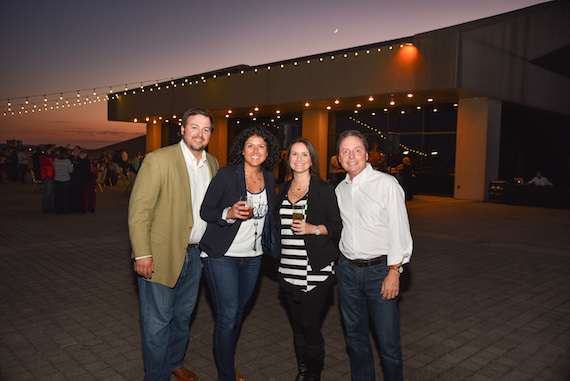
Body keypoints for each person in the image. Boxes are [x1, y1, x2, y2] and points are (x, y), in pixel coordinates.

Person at [128, 108, 219, 381]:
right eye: (194, 127)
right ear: (182, 129)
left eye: (205, 129)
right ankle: (156, 377)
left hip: (196, 256)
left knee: (182, 318)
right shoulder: (159, 159)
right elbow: (139, 211)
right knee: (157, 323)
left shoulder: (213, 163)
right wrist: (142, 253)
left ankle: (175, 362)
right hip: (160, 256)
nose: (199, 134)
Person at [199, 126, 280, 381]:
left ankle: (227, 361)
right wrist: (229, 213)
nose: (256, 151)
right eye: (250, 146)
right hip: (223, 255)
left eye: (261, 146)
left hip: (253, 257)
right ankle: (226, 375)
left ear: (268, 151)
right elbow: (206, 211)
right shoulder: (226, 175)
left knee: (236, 314)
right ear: (242, 150)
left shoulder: (269, 177)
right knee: (227, 316)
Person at [335, 130, 413, 381]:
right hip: (347, 272)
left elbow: (400, 230)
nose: (351, 155)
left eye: (357, 149)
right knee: (355, 340)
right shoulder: (340, 190)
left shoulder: (386, 184)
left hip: (380, 272)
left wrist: (395, 271)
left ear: (367, 155)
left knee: (388, 344)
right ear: (338, 158)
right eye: (345, 151)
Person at [276, 138, 342, 380]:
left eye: (305, 154)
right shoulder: (283, 189)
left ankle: (313, 374)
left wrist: (313, 228)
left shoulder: (323, 189)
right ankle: (303, 371)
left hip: (315, 271)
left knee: (309, 324)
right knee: (297, 327)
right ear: (288, 159)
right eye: (294, 154)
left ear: (312, 159)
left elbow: (337, 226)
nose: (299, 159)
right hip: (288, 270)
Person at [75, 148, 97, 213]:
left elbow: (78, 170)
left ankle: (85, 208)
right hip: (91, 178)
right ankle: (92, 207)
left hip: (84, 180)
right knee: (92, 193)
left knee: (86, 194)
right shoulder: (88, 160)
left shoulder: (79, 161)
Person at [53, 147, 74, 214]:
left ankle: (57, 209)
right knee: (66, 196)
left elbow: (54, 168)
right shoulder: (67, 161)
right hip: (66, 179)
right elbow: (71, 170)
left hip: (57, 179)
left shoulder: (56, 160)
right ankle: (66, 209)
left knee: (57, 196)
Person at [40, 145, 56, 212]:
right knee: (47, 192)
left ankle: (48, 207)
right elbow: (49, 163)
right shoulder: (43, 157)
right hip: (47, 176)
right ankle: (45, 207)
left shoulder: (50, 157)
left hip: (51, 176)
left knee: (50, 192)